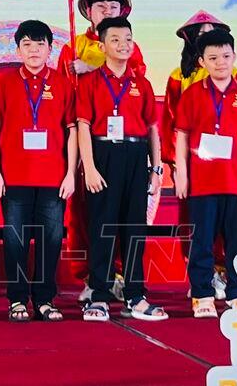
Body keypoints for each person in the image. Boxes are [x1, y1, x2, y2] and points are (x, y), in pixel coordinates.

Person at [76, 17, 167, 323]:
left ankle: (135, 296)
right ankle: (99, 296)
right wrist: (89, 167)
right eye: (115, 39)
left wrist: (156, 169)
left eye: (128, 39)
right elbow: (83, 126)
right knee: (101, 229)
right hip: (103, 156)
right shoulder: (90, 82)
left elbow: (153, 129)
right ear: (102, 46)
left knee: (134, 230)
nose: (123, 45)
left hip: (136, 156)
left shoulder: (142, 84)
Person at [59, 0, 145, 304]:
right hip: (86, 137)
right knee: (86, 213)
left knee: (126, 214)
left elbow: (134, 75)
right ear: (89, 12)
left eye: (113, 6)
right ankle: (92, 277)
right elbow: (64, 91)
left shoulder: (130, 46)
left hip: (125, 145)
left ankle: (121, 275)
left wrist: (92, 67)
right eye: (101, 6)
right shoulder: (73, 46)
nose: (107, 10)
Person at [174, 29, 237, 318]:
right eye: (213, 58)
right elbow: (182, 135)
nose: (220, 62)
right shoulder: (192, 95)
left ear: (234, 57)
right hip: (203, 183)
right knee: (202, 242)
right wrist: (181, 173)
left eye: (226, 56)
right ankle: (202, 295)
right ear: (202, 61)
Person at [0, 20, 76, 322]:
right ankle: (17, 300)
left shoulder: (62, 84)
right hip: (14, 177)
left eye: (40, 44)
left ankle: (44, 300)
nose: (34, 50)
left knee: (50, 241)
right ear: (18, 50)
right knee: (15, 241)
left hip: (54, 178)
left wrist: (70, 173)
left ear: (50, 49)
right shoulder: (5, 83)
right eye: (27, 44)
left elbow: (72, 131)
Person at [162, 10, 237, 301]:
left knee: (228, 221)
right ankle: (200, 276)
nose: (206, 35)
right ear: (190, 38)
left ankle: (224, 272)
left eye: (211, 31)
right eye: (201, 32)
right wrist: (175, 161)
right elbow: (171, 120)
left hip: (225, 164)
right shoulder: (178, 75)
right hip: (192, 161)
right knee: (195, 220)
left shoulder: (232, 73)